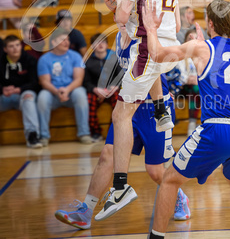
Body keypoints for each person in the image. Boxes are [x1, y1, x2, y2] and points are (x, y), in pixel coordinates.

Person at [143, 0, 230, 239]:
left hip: (218, 129)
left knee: (169, 180)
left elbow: (156, 55)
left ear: (210, 23)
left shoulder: (202, 48)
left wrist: (150, 28)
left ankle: (155, 237)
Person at [54, 24, 190, 229]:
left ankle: (179, 196)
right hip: (127, 107)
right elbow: (127, 71)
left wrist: (160, 102)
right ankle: (85, 211)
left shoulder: (146, 32)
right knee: (107, 155)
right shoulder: (119, 36)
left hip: (152, 107)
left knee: (154, 171)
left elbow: (154, 71)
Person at [99, 0, 184, 214]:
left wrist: (119, 9)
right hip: (168, 49)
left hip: (148, 50)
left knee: (121, 115)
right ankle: (161, 110)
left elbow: (121, 14)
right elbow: (179, 25)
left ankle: (120, 187)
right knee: (151, 72)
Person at [37, 27, 92, 146]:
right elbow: (44, 82)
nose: (66, 42)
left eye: (67, 40)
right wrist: (57, 92)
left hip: (71, 91)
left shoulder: (76, 56)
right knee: (42, 97)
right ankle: (43, 136)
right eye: (62, 40)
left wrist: (67, 90)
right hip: (52, 93)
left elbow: (79, 79)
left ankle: (84, 133)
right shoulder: (44, 59)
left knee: (81, 94)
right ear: (53, 42)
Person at [0, 35, 41, 148]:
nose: (15, 48)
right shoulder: (1, 61)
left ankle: (32, 136)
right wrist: (2, 89)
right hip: (5, 96)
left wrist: (19, 89)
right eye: (11, 46)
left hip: (23, 93)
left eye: (17, 45)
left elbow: (35, 83)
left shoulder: (30, 60)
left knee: (29, 97)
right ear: (5, 49)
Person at [83, 33, 123, 141]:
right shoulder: (88, 62)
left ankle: (114, 131)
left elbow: (121, 76)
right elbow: (86, 82)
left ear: (106, 44)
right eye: (97, 43)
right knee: (89, 100)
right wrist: (95, 90)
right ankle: (95, 132)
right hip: (97, 92)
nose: (100, 45)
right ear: (92, 46)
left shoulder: (115, 58)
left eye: (103, 42)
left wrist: (115, 87)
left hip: (112, 90)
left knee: (118, 99)